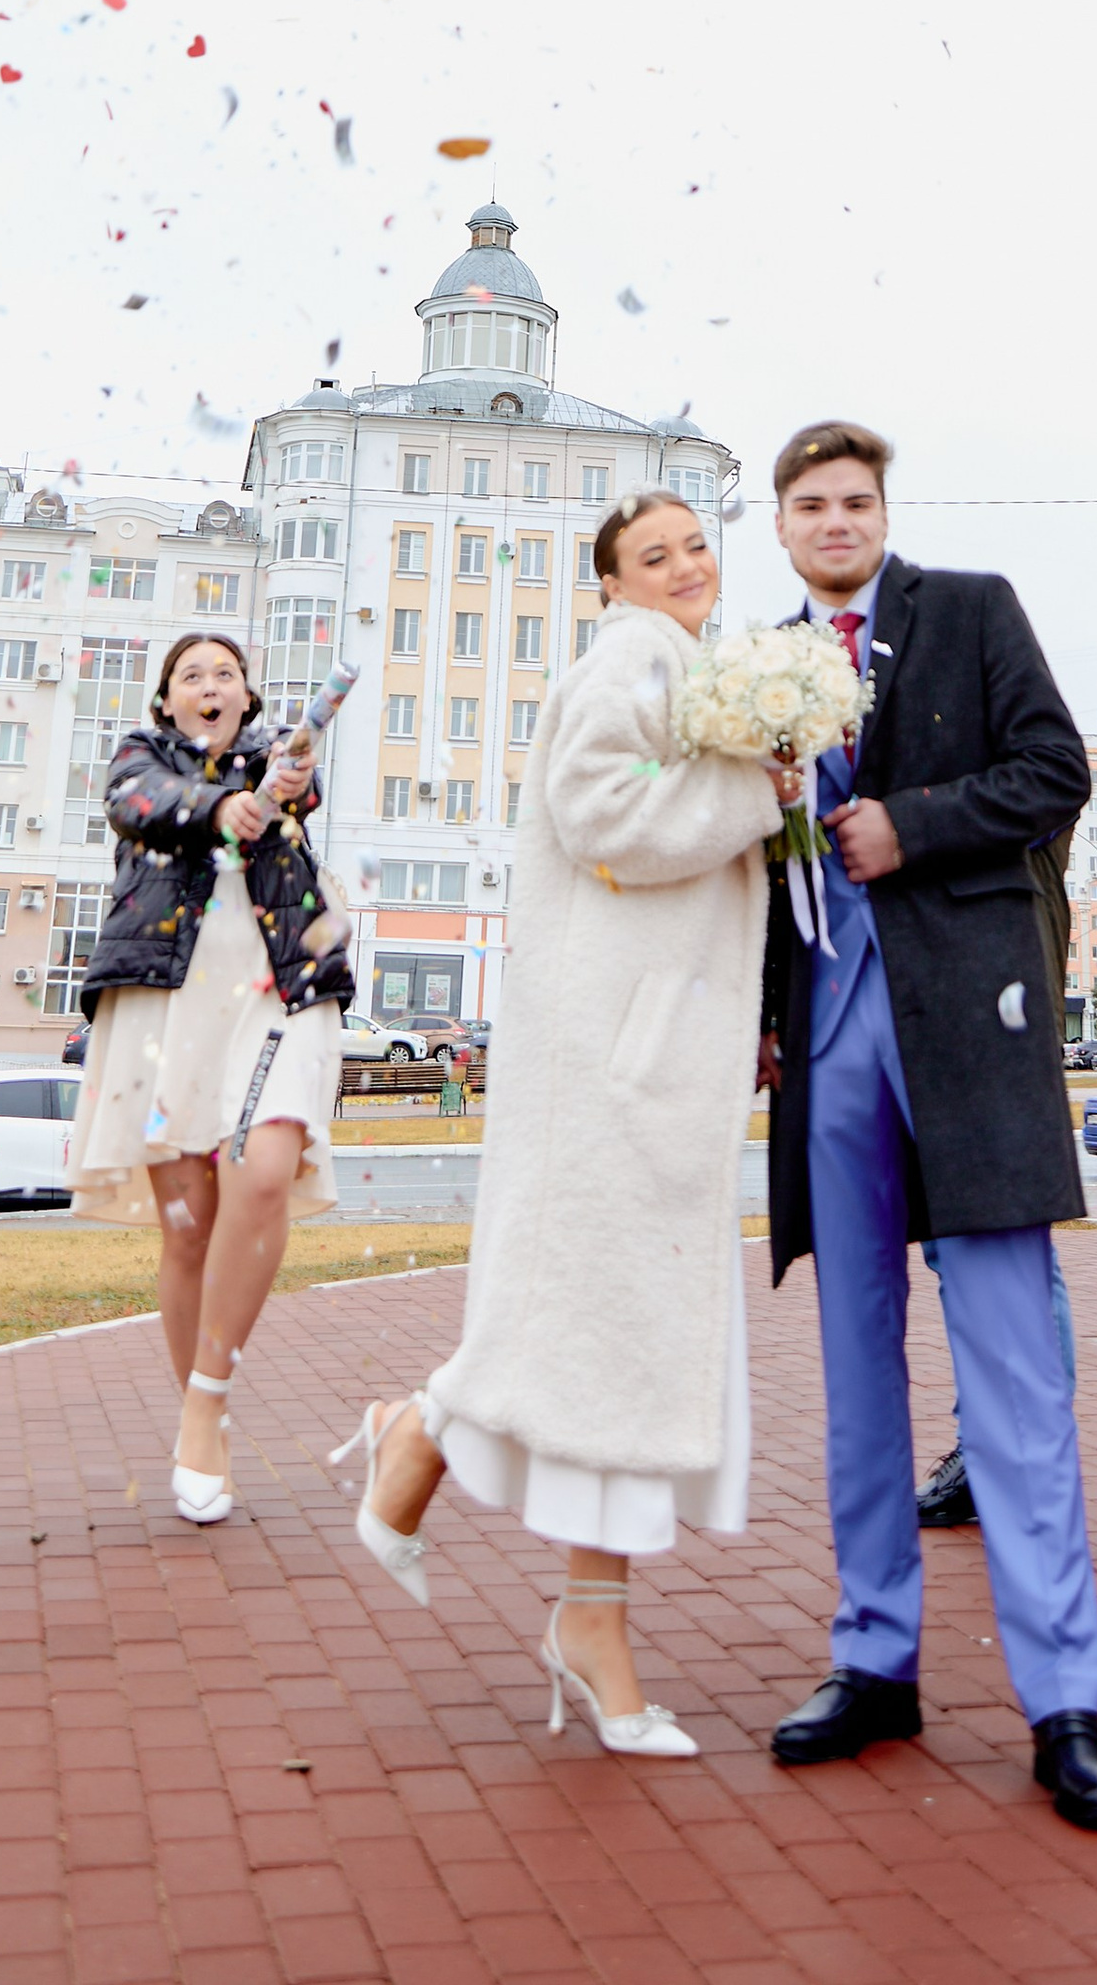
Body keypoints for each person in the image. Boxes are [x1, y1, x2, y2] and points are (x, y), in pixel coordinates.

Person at [337, 489, 792, 1757]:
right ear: (611, 584)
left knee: (620, 1341)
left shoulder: (682, 664)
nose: (685, 567)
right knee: (597, 1327)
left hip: (648, 1055)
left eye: (697, 546)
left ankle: (532, 1557)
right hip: (613, 1059)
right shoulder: (632, 655)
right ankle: (435, 1448)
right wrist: (754, 790)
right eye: (655, 555)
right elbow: (601, 816)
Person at [763, 422, 1097, 1834]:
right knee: (856, 1360)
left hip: (963, 1026)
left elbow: (1054, 774)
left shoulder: (967, 611)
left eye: (857, 501)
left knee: (1012, 1369)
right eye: (813, 505)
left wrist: (908, 826)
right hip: (827, 1039)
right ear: (784, 526)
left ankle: (1064, 1702)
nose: (838, 522)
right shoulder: (755, 661)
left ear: (881, 514)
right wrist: (759, 1013)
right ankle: (874, 1659)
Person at [71, 631, 352, 1521]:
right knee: (188, 1224)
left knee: (264, 1169)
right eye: (191, 675)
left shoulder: (278, 758)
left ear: (247, 696)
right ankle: (203, 1417)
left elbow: (297, 802)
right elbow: (138, 803)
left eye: (226, 674)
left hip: (281, 983)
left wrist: (285, 788)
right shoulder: (140, 757)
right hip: (170, 994)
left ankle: (207, 1396)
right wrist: (216, 806)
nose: (210, 684)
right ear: (166, 702)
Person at [915, 813, 1079, 1530]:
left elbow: (1046, 787)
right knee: (953, 1243)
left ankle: (1020, 1454)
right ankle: (996, 1448)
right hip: (946, 996)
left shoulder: (1018, 725)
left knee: (1012, 1246)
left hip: (1000, 1006)